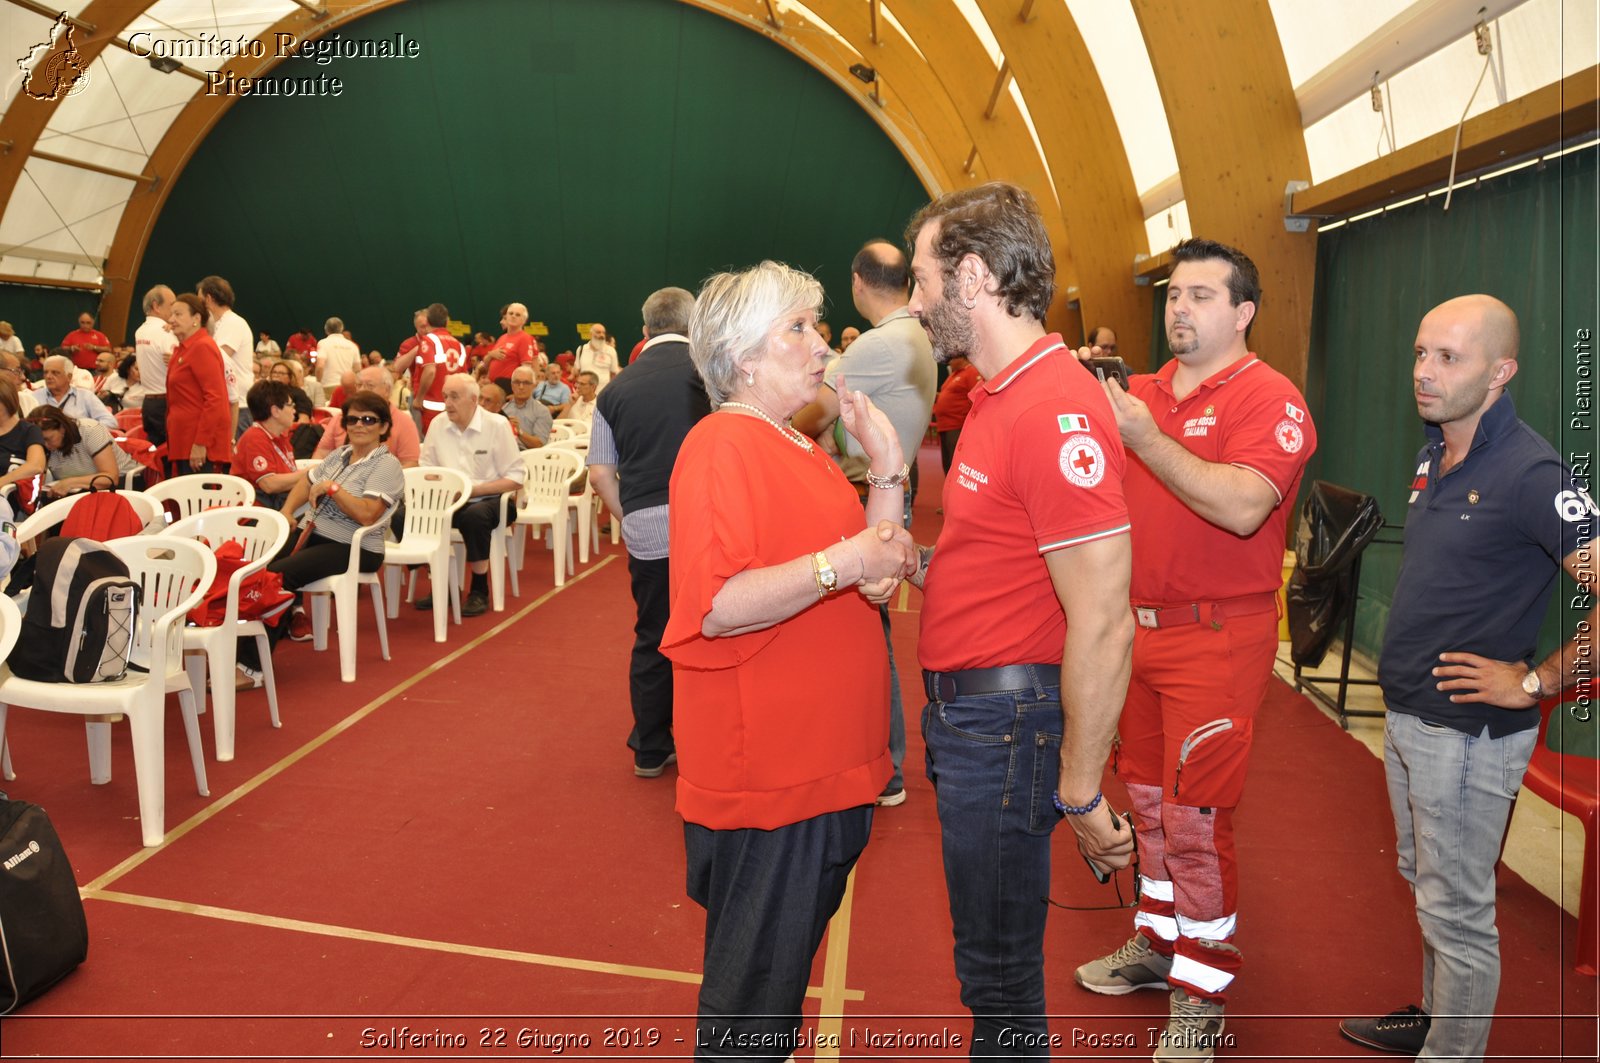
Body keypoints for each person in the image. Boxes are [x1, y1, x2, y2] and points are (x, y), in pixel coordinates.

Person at [902, 182, 1136, 1054]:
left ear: (970, 276)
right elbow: (1005, 560)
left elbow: (1105, 619)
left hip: (1003, 728)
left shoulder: (1048, 405)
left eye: (925, 280)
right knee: (990, 970)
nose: (918, 302)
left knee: (999, 979)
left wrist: (1078, 789)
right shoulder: (1000, 393)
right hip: (976, 718)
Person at [1071, 238, 1315, 1061]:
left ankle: (1201, 991)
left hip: (1218, 636)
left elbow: (1245, 506)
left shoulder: (1269, 398)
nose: (1181, 307)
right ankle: (1156, 940)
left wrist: (1141, 436)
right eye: (1174, 293)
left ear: (1242, 312)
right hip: (1132, 633)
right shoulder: (1134, 392)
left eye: (1203, 295)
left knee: (1196, 820)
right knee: (1146, 805)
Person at [662, 260, 915, 1052]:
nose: (821, 344)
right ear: (743, 359)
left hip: (824, 765)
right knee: (752, 1009)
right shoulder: (720, 444)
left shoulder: (796, 445)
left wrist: (887, 465)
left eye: (817, 324)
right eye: (798, 328)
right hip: (773, 772)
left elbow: (873, 571)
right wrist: (843, 562)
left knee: (773, 993)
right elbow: (718, 605)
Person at [1337, 295, 1597, 1062]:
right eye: (1421, 353)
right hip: (1412, 720)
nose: (1424, 372)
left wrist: (1538, 680)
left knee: (1458, 912)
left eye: (1448, 358)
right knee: (1431, 888)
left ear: (1501, 371)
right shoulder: (1435, 446)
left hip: (1468, 737)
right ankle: (1435, 1016)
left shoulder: (1531, 470)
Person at [793, 238, 937, 807]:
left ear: (858, 282)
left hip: (864, 494)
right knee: (867, 633)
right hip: (882, 487)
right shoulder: (913, 337)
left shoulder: (878, 345)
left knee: (864, 638)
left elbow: (809, 416)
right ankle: (883, 760)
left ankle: (885, 763)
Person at [588, 286, 710, 778]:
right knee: (712, 629)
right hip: (707, 522)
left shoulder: (612, 390)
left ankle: (652, 746)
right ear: (693, 324)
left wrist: (632, 516)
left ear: (644, 331)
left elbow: (599, 474)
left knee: (653, 633)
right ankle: (707, 743)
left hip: (644, 524)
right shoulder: (711, 375)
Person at [238, 390, 407, 675]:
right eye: (352, 419)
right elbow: (307, 481)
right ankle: (243, 650)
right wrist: (287, 513)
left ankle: (251, 667)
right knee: (254, 568)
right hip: (313, 532)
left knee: (280, 575)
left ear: (384, 427)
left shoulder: (386, 465)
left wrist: (334, 489)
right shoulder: (341, 455)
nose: (359, 425)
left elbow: (367, 515)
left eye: (368, 419)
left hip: (355, 545)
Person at [418, 374, 523, 617]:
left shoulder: (496, 425)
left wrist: (472, 490)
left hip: (491, 499)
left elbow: (516, 478)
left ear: (474, 400)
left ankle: (479, 588)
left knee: (474, 517)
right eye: (445, 396)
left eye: (454, 397)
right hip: (447, 501)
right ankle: (443, 585)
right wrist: (443, 488)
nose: (447, 403)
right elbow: (427, 469)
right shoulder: (437, 424)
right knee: (405, 515)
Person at [165, 292, 233, 475]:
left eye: (178, 314)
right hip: (183, 442)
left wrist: (201, 443)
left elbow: (215, 398)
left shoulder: (202, 346)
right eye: (171, 314)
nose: (171, 319)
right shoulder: (183, 349)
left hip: (198, 447)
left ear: (196, 318)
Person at [313, 364, 420, 468]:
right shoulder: (341, 418)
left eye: (370, 385)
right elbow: (322, 453)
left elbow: (410, 464)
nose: (362, 390)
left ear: (387, 390)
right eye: (359, 385)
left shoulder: (404, 422)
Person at [28, 406, 141, 496]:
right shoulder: (41, 445)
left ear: (62, 428)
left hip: (123, 484)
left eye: (48, 439)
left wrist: (69, 482)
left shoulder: (90, 430)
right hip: (81, 491)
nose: (45, 445)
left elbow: (110, 478)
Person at [232, 380, 305, 510]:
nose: (294, 411)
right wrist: (310, 473)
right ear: (275, 411)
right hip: (256, 512)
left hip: (278, 504)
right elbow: (269, 484)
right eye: (291, 405)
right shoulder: (254, 438)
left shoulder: (280, 436)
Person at [197, 275, 253, 432]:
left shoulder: (233, 323)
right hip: (227, 401)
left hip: (237, 405)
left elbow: (215, 359)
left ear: (208, 298)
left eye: (199, 300)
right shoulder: (217, 323)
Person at [32, 354, 116, 429]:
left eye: (55, 373)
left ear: (69, 377)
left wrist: (80, 428)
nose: (48, 376)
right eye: (46, 372)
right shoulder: (34, 397)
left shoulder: (85, 396)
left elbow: (111, 422)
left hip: (79, 443)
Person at [0, 378, 46, 506]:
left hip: (14, 502)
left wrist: (2, 481)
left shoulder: (28, 431)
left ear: (7, 401)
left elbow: (35, 466)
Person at [932, 353, 980, 473]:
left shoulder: (971, 372)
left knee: (955, 466)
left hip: (957, 426)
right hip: (945, 426)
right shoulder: (954, 374)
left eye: (953, 358)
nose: (950, 362)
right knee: (948, 465)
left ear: (962, 358)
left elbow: (976, 398)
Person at [483, 302, 536, 391]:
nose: (513, 316)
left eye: (518, 315)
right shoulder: (501, 338)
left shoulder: (524, 338)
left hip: (509, 387)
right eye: (510, 313)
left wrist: (519, 391)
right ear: (506, 317)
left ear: (524, 321)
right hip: (493, 385)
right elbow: (484, 364)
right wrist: (490, 355)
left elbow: (526, 369)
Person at [502, 366, 553, 449]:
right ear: (512, 386)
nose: (521, 387)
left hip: (527, 456)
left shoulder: (542, 411)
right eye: (517, 382)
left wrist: (519, 432)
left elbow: (539, 444)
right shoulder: (504, 408)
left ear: (534, 386)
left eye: (526, 383)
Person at [315, 316, 360, 388]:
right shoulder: (352, 345)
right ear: (342, 329)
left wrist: (318, 382)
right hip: (348, 386)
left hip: (329, 385)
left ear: (326, 330)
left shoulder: (323, 343)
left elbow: (320, 366)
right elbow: (357, 369)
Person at [574, 323, 617, 389]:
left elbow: (613, 374)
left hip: (603, 392)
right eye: (598, 332)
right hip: (585, 394)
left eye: (603, 333)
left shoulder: (611, 351)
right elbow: (577, 371)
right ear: (590, 334)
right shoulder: (581, 349)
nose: (602, 335)